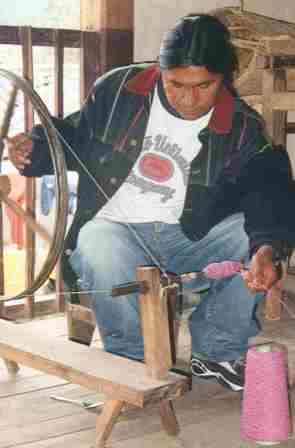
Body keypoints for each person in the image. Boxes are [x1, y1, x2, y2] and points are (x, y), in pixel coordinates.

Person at [7, 14, 295, 392]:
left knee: (256, 237)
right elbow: (73, 134)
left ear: (224, 78)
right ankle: (130, 362)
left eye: (204, 86)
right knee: (97, 243)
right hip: (117, 230)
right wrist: (37, 149)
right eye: (176, 84)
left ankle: (216, 351)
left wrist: (268, 248)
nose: (189, 99)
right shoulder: (119, 91)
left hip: (190, 235)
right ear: (160, 72)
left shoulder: (242, 126)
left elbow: (268, 189)